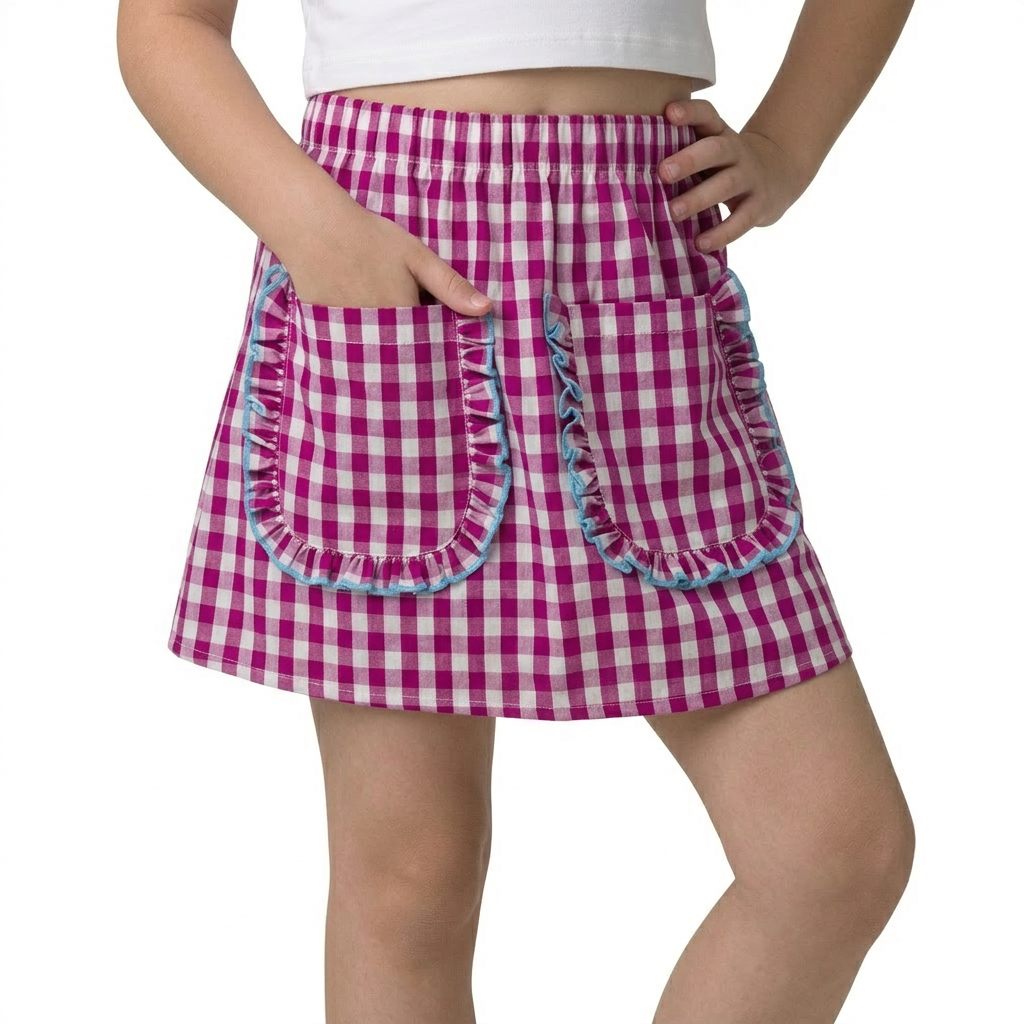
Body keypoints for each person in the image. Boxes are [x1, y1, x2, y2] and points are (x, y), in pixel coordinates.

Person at [117, 0, 917, 1018]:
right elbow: (167, 24)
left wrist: (787, 145)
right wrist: (320, 233)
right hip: (389, 242)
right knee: (412, 876)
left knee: (834, 850)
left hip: (635, 254)